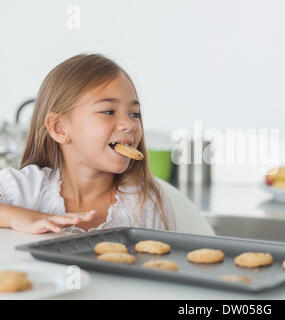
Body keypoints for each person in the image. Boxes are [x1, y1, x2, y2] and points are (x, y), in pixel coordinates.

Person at [0, 54, 176, 234]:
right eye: (108, 111)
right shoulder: (24, 189)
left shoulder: (146, 203)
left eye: (134, 114)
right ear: (59, 128)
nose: (129, 125)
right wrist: (16, 216)